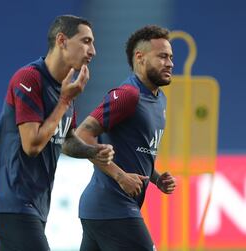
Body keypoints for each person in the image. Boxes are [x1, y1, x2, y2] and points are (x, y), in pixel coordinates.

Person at [0, 15, 114, 251]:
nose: (93, 51)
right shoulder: (29, 78)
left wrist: (92, 151)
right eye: (86, 41)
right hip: (14, 205)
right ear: (62, 40)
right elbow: (32, 145)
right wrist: (65, 101)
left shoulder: (65, 88)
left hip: (36, 206)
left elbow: (65, 140)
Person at [76, 25, 177, 251]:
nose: (170, 63)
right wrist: (120, 177)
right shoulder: (126, 94)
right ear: (139, 58)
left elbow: (136, 150)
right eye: (162, 56)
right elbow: (82, 135)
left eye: (171, 57)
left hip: (103, 211)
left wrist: (157, 178)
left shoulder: (161, 100)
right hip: (112, 206)